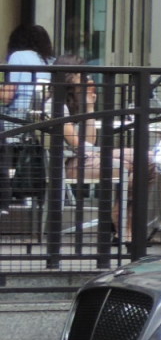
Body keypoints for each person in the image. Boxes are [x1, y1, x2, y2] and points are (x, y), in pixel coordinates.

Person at [50, 55, 134, 241]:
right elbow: (79, 144)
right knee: (128, 167)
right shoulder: (54, 103)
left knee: (144, 158)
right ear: (71, 75)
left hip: (81, 158)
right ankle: (122, 222)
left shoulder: (70, 101)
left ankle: (122, 220)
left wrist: (89, 107)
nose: (86, 79)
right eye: (81, 74)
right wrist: (95, 151)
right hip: (67, 164)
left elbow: (89, 142)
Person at [1, 25, 55, 213]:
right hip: (38, 120)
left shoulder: (18, 57)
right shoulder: (49, 61)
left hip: (15, 118)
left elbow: (9, 95)